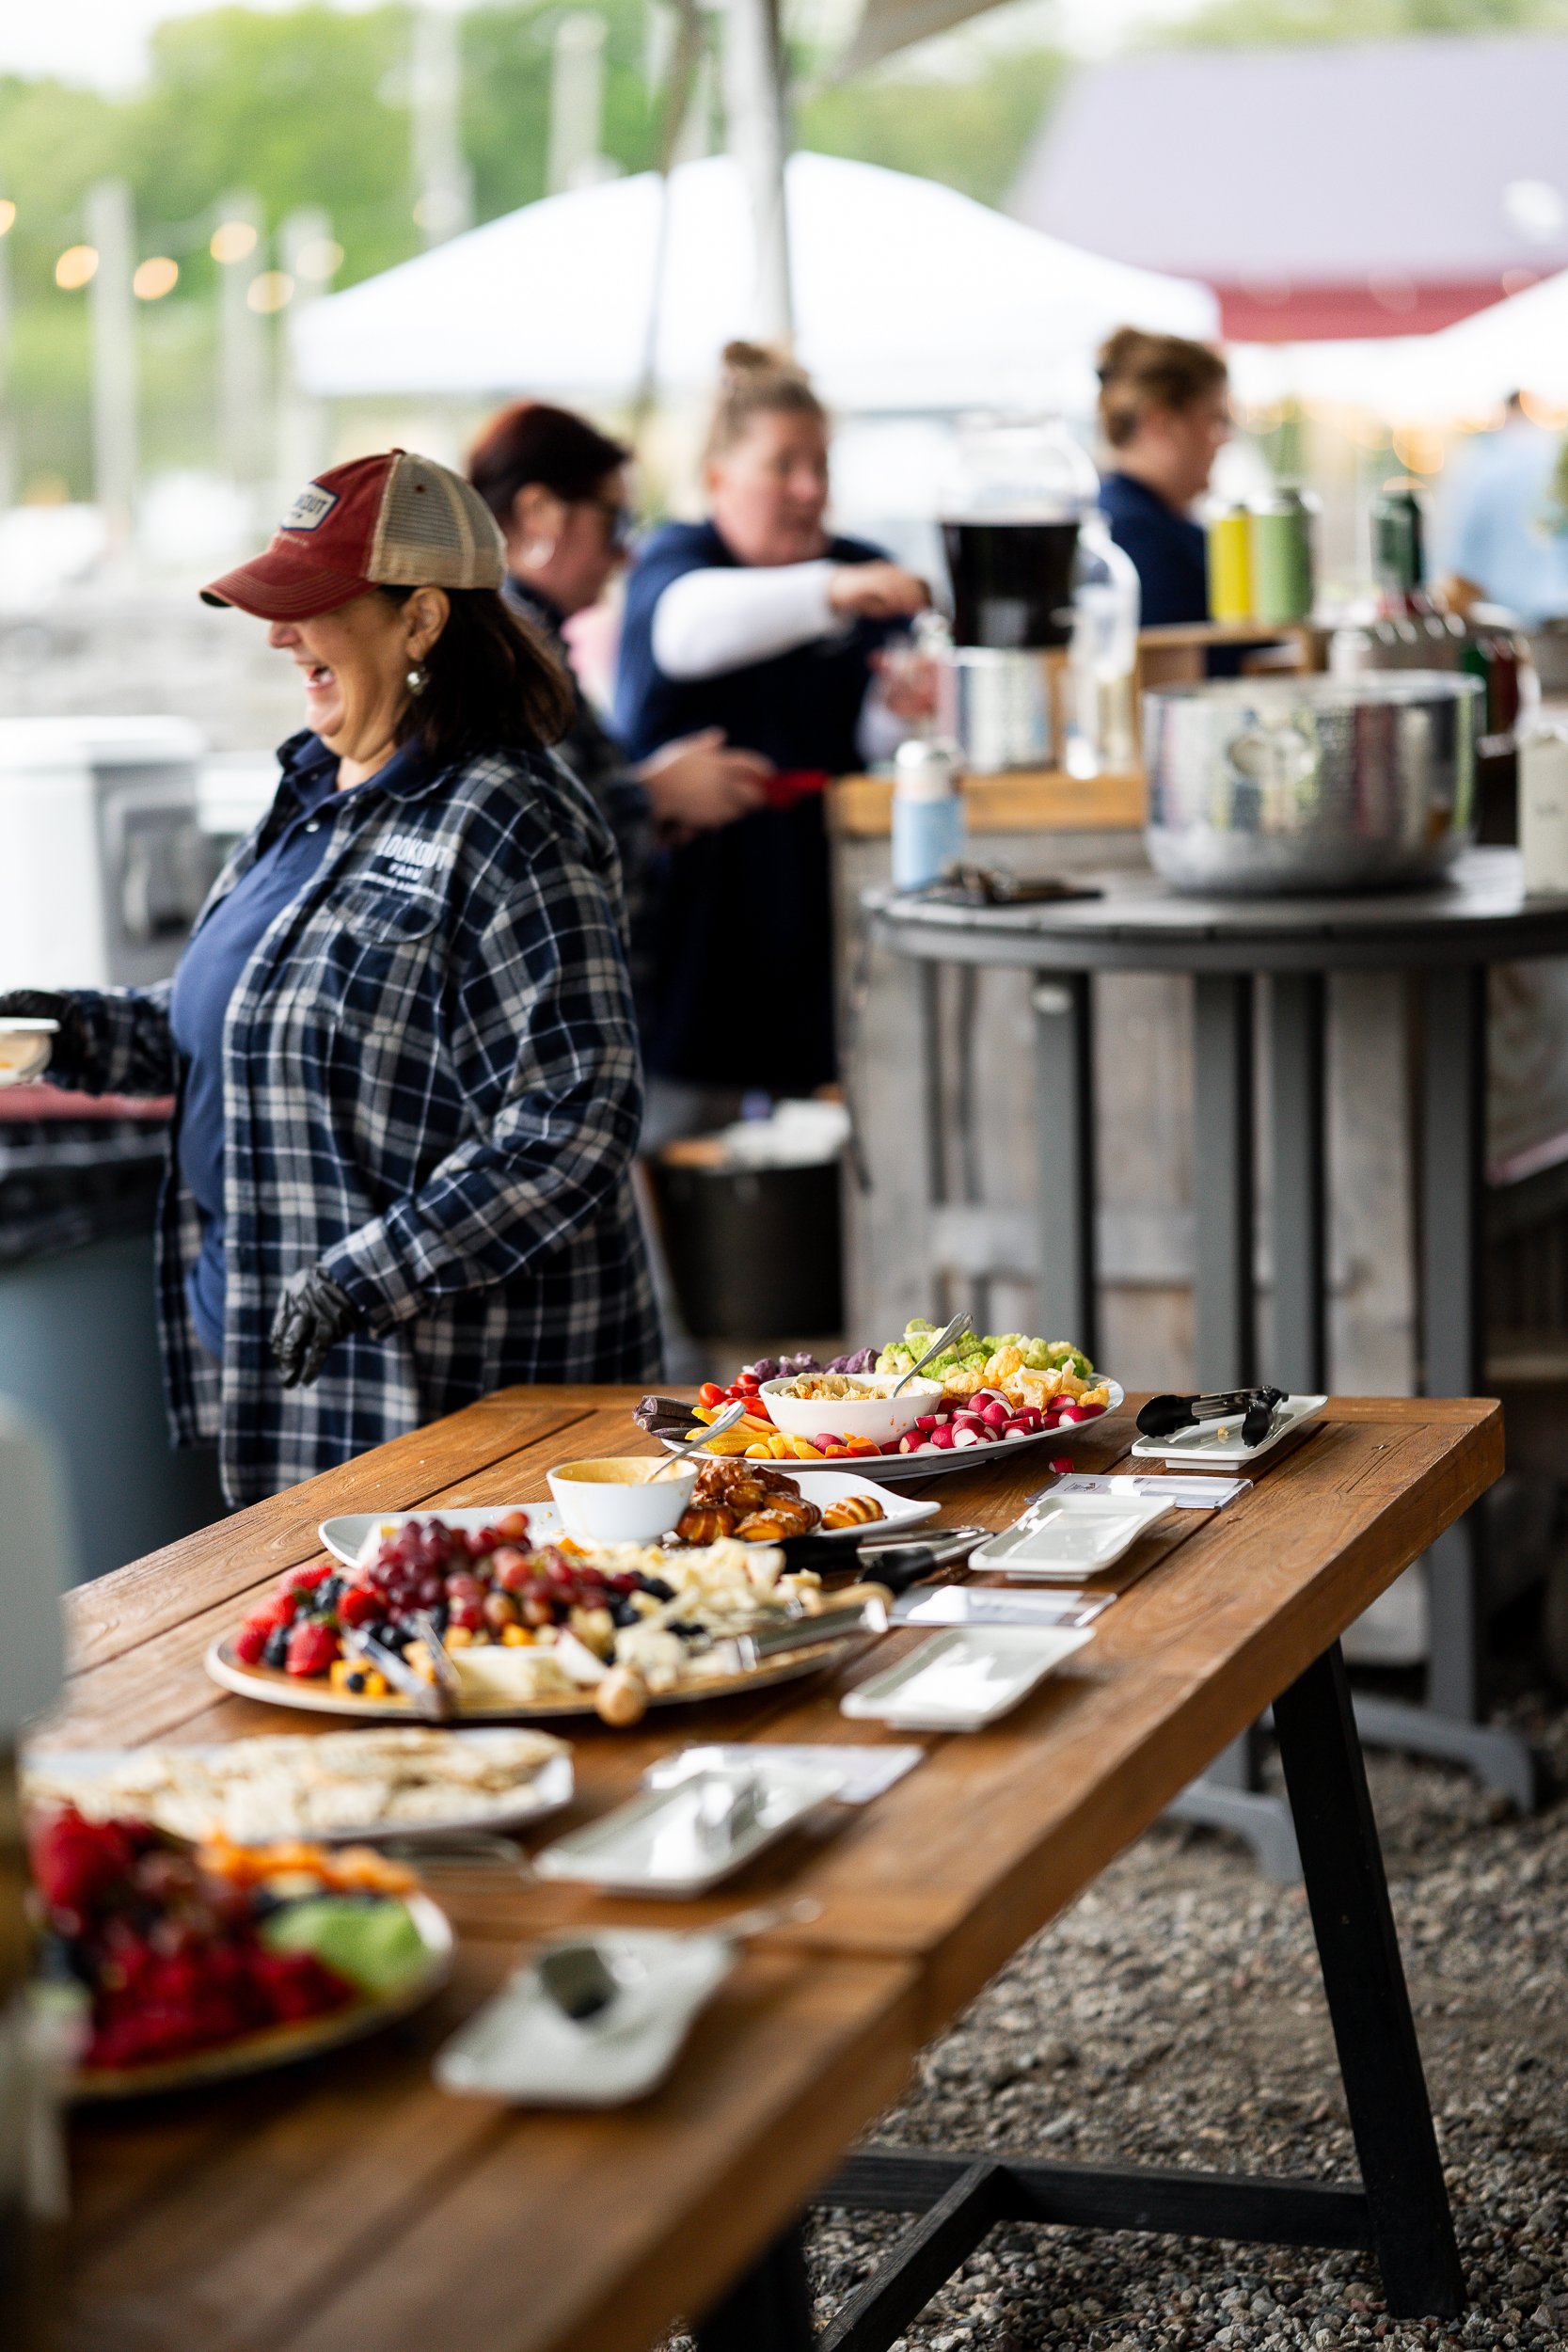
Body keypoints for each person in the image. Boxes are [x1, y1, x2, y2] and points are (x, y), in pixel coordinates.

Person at [0, 451, 658, 1506]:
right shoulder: (311, 787)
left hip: (448, 1395)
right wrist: (47, 1032)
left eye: (312, 605)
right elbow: (237, 1022)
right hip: (288, 1374)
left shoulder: (509, 817)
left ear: (422, 621)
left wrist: (362, 1278)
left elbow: (572, 1120)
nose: (276, 634)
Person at [615, 342, 932, 1108]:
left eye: (820, 467)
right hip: (693, 959)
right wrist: (833, 589)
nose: (808, 489)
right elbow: (684, 633)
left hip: (823, 940)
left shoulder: (863, 571)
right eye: (784, 465)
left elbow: (874, 750)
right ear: (717, 475)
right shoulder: (681, 560)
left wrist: (899, 710)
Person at [467, 400, 773, 998]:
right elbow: (513, 842)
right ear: (538, 513)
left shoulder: (517, 641)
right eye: (615, 521)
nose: (625, 553)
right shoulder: (502, 655)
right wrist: (655, 796)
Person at [1095, 327, 1231, 627]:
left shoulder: (1156, 522)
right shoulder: (1136, 536)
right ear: (1162, 423)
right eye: (1215, 420)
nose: (1224, 439)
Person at [1435, 391, 1568, 625]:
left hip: (1503, 617)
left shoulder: (1479, 465)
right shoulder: (1555, 458)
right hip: (1557, 611)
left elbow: (1461, 551)